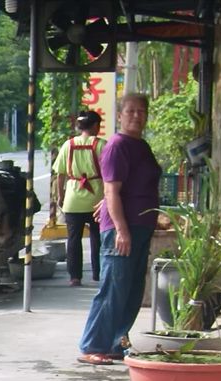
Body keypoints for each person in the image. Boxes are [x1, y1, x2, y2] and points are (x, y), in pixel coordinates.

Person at [76, 93, 161, 366]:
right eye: (131, 111)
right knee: (113, 289)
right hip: (122, 229)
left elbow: (131, 185)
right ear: (120, 115)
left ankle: (115, 342)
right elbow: (111, 190)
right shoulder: (117, 145)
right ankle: (93, 345)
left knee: (132, 290)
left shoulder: (141, 146)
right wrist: (122, 230)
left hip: (141, 226)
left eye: (141, 111)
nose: (136, 115)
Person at [53, 111, 105, 286]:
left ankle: (75, 277)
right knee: (98, 238)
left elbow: (60, 174)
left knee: (74, 239)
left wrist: (60, 196)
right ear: (95, 126)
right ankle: (98, 274)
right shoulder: (101, 145)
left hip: (73, 199)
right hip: (97, 199)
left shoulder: (68, 145)